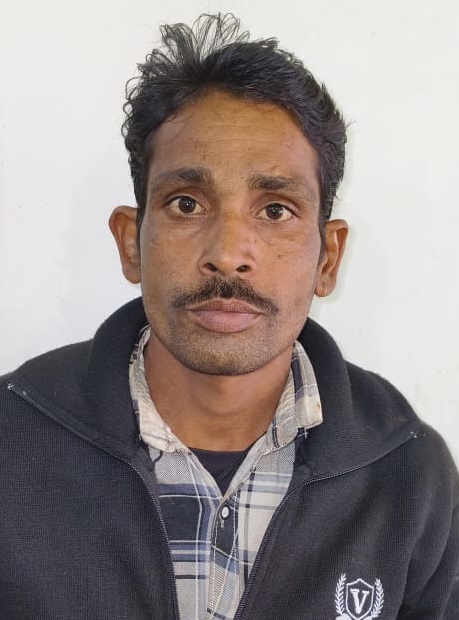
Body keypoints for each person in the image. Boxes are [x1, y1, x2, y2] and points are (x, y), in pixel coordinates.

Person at [0, 13, 458, 620]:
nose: (228, 253)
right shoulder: (12, 441)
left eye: (275, 210)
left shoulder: (408, 475)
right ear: (131, 243)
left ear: (328, 259)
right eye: (187, 203)